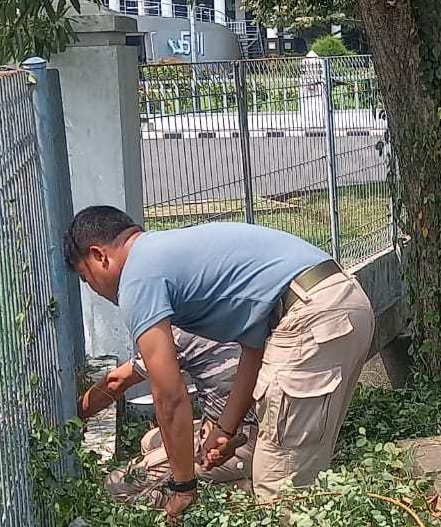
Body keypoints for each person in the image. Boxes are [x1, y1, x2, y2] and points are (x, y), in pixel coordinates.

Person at [64, 208, 375, 516]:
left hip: (312, 317)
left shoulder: (137, 277)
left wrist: (184, 487)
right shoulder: (171, 256)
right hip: (344, 302)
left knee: (280, 493)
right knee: (297, 472)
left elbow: (170, 396)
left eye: (85, 277)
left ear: (99, 255)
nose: (94, 289)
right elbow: (252, 352)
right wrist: (225, 429)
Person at [77, 327, 259, 506]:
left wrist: (75, 415)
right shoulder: (215, 314)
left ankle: (201, 501)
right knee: (150, 441)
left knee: (115, 486)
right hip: (238, 426)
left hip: (236, 442)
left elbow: (117, 381)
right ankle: (231, 483)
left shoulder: (182, 332)